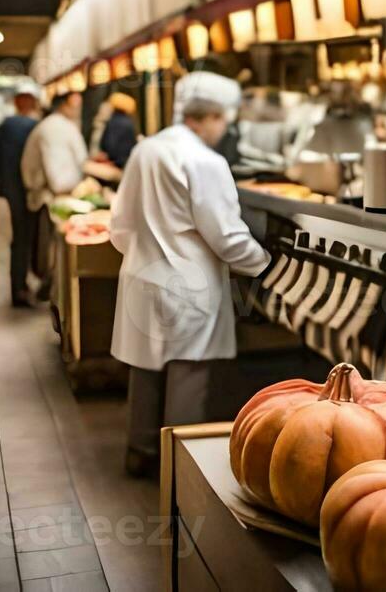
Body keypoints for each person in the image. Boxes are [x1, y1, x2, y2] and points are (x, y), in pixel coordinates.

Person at [110, 73, 270, 478]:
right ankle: (180, 469)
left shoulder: (146, 149)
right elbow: (228, 237)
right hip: (189, 284)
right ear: (212, 116)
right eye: (224, 121)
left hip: (141, 278)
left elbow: (120, 223)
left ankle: (140, 450)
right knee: (189, 372)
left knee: (146, 369)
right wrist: (265, 266)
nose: (224, 130)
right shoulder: (205, 161)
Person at [21, 92, 89, 298]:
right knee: (49, 250)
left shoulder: (60, 125)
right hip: (48, 197)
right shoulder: (54, 128)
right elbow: (57, 175)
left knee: (52, 249)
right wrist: (72, 188)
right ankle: (49, 288)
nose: (78, 108)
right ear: (65, 104)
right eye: (75, 104)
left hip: (54, 195)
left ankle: (50, 287)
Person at [0, 86, 41, 307]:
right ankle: (21, 288)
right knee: (26, 237)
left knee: (20, 236)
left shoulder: (4, 126)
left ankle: (19, 285)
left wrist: (0, 178)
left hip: (12, 187)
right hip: (28, 189)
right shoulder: (34, 126)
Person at [99, 93, 139, 170]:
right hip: (126, 163)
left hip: (116, 164)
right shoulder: (128, 122)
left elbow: (109, 145)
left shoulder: (114, 122)